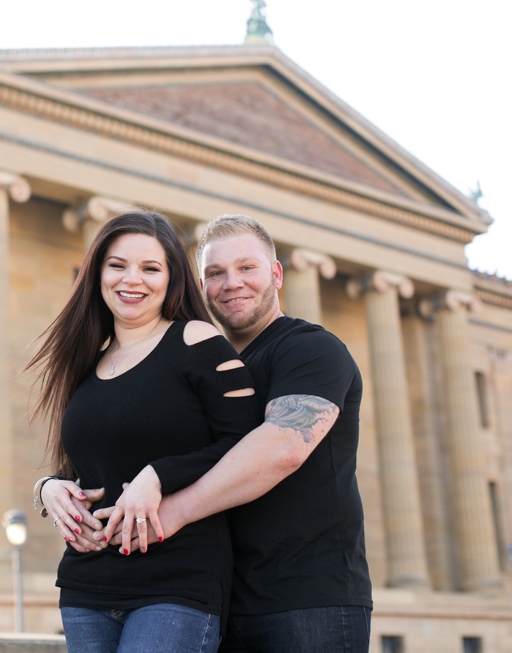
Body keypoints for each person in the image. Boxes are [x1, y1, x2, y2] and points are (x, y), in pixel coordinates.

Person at [96, 214, 372, 653]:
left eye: (247, 268)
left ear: (276, 274)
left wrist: (173, 513)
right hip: (216, 602)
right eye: (215, 273)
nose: (231, 283)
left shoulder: (310, 348)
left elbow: (283, 449)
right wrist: (49, 486)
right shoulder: (203, 367)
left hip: (306, 601)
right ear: (201, 286)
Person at [28, 211, 263, 653]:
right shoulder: (85, 363)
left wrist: (160, 475)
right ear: (97, 273)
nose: (131, 280)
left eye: (150, 268)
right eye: (117, 265)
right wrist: (48, 489)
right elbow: (82, 467)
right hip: (87, 585)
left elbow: (248, 445)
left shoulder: (195, 340)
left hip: (177, 580)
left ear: (171, 279)